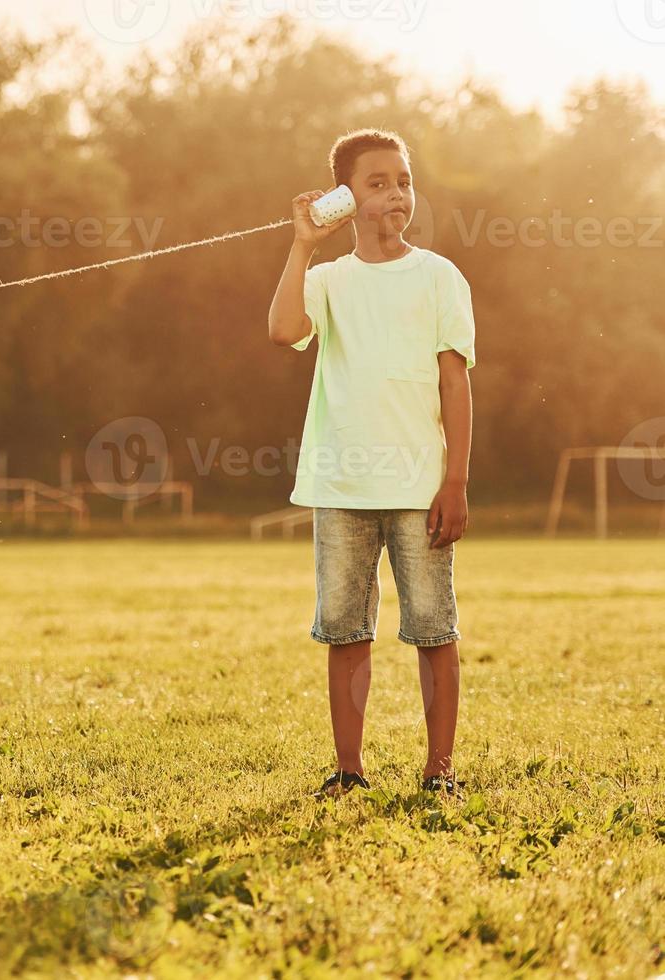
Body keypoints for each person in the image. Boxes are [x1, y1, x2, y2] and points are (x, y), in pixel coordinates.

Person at [267, 129, 476, 798]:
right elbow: (282, 329)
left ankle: (439, 772)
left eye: (404, 181)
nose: (395, 194)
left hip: (421, 487)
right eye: (377, 183)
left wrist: (456, 481)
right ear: (344, 199)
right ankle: (348, 769)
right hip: (343, 484)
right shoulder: (327, 280)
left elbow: (455, 383)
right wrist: (301, 244)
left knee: (433, 630)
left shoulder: (440, 276)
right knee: (346, 632)